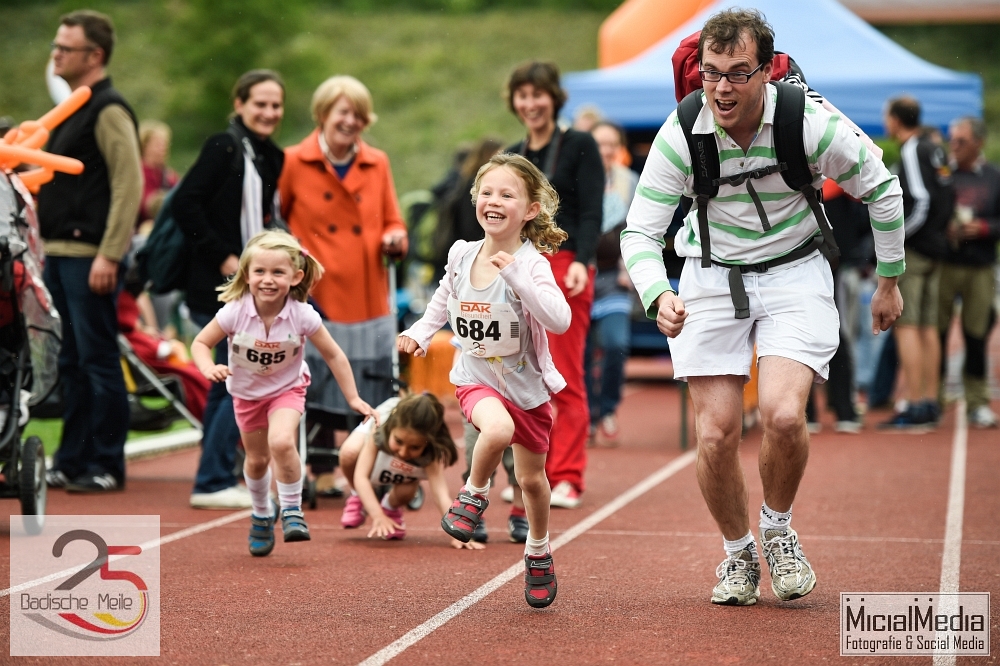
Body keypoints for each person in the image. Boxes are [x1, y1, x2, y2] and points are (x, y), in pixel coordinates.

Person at [621, 8, 904, 606]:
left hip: (795, 270)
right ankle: (738, 555)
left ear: (766, 73)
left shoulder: (809, 122)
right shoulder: (683, 131)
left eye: (738, 73)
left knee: (780, 415)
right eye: (711, 73)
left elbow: (881, 186)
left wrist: (889, 279)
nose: (722, 88)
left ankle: (777, 530)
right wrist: (657, 293)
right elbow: (639, 232)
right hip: (709, 275)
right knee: (717, 433)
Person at [398, 153, 571, 608]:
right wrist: (420, 331)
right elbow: (443, 299)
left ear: (530, 209)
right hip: (477, 377)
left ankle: (538, 549)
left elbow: (560, 320)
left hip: (526, 388)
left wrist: (515, 274)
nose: (494, 201)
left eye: (506, 194)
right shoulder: (460, 253)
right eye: (487, 192)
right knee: (496, 430)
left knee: (532, 482)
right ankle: (474, 494)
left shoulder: (532, 264)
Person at [192, 231, 378, 557]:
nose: (268, 280)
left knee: (281, 442)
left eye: (278, 273)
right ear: (246, 275)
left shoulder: (302, 314)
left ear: (296, 277)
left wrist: (352, 398)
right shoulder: (235, 311)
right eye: (260, 272)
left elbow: (334, 355)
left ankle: (292, 508)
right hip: (247, 394)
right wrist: (208, 367)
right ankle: (262, 513)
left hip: (286, 389)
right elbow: (200, 343)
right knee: (257, 459)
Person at [278, 75, 407, 463]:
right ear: (322, 114)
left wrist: (395, 237)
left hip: (366, 290)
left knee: (366, 376)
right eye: (343, 112)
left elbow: (392, 219)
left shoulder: (377, 162)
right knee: (315, 376)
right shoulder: (292, 161)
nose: (351, 121)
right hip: (317, 289)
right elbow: (277, 222)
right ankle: (319, 466)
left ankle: (365, 461)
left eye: (359, 114)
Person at [39, 10, 142, 493]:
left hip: (88, 256)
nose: (55, 55)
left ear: (93, 56)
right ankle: (71, 458)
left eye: (65, 48)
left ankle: (105, 463)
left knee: (98, 360)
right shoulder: (74, 110)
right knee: (70, 362)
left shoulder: (108, 109)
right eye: (56, 46)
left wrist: (110, 253)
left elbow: (130, 182)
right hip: (58, 254)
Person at [173, 69, 286, 509]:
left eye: (275, 105)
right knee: (233, 378)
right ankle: (213, 479)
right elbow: (186, 202)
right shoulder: (222, 146)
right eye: (259, 103)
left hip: (253, 283)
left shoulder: (270, 155)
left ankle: (217, 470)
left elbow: (263, 217)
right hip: (218, 284)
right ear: (239, 104)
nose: (268, 112)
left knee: (234, 377)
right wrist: (223, 255)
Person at [505, 61, 603, 510]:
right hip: (520, 264)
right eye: (522, 96)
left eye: (537, 94)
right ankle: (531, 472)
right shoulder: (512, 152)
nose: (530, 104)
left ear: (553, 98)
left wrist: (583, 259)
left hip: (565, 265)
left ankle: (567, 476)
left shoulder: (579, 143)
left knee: (563, 375)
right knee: (520, 370)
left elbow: (590, 210)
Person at [879, 96, 954, 429]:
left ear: (895, 119)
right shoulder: (934, 148)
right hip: (937, 248)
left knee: (908, 327)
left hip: (917, 250)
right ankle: (930, 401)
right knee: (927, 327)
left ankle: (917, 403)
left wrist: (896, 239)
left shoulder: (912, 149)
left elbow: (921, 201)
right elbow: (948, 195)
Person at [338, 394, 484, 550]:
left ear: (427, 442)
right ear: (392, 429)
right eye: (399, 442)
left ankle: (390, 507)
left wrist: (456, 533)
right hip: (379, 425)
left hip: (405, 470)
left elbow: (440, 495)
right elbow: (361, 476)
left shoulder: (431, 453)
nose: (403, 452)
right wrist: (377, 515)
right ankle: (358, 496)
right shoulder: (379, 428)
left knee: (407, 490)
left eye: (414, 447)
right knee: (349, 453)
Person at [939, 117, 1000, 428]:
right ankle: (933, 399)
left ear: (978, 143)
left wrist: (985, 227)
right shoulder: (943, 175)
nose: (954, 145)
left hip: (980, 266)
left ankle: (977, 402)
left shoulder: (993, 177)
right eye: (952, 139)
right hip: (944, 264)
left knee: (976, 335)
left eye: (961, 140)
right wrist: (945, 229)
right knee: (936, 333)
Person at [586, 121, 638, 444]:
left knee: (616, 344)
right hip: (581, 276)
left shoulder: (629, 182)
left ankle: (607, 407)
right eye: (598, 143)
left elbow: (640, 226)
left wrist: (629, 270)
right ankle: (587, 415)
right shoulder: (575, 181)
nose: (604, 150)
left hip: (613, 277)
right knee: (581, 353)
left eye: (610, 144)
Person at [137, 120, 179, 224]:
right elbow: (145, 206)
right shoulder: (139, 171)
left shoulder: (168, 173)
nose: (163, 148)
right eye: (158, 144)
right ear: (144, 145)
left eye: (165, 143)